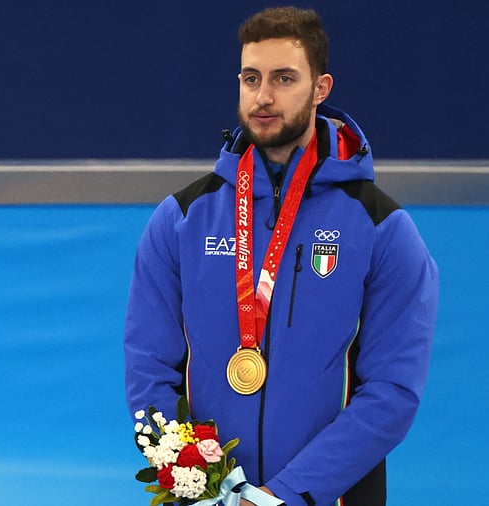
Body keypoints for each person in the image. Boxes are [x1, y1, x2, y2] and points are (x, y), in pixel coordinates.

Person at [124, 7, 438, 506]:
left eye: (284, 78)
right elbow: (148, 371)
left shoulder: (382, 228)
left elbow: (392, 393)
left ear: (321, 87)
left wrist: (282, 496)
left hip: (326, 498)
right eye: (251, 78)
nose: (263, 96)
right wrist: (201, 483)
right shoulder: (181, 220)